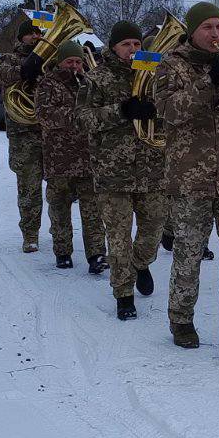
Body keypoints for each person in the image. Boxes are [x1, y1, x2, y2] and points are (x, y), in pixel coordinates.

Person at [154, 1, 219, 368]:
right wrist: (208, 80)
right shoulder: (171, 65)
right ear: (193, 31)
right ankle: (181, 320)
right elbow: (169, 112)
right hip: (190, 180)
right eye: (208, 28)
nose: (216, 34)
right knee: (188, 254)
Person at [77, 20, 167, 320]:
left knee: (153, 229)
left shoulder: (153, 76)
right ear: (114, 47)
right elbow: (82, 119)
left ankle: (141, 263)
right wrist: (121, 111)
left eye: (137, 44)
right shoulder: (97, 78)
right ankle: (124, 294)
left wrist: (158, 112)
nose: (133, 49)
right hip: (112, 173)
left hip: (152, 169)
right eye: (126, 44)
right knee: (118, 238)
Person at [35, 39, 107, 273]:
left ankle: (96, 255)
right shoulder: (48, 84)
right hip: (59, 160)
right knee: (59, 209)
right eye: (70, 61)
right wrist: (79, 115)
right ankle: (63, 252)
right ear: (60, 62)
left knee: (93, 211)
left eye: (78, 61)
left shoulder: (89, 82)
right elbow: (45, 115)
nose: (75, 66)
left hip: (88, 159)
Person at [0, 16, 45, 252]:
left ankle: (62, 238)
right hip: (24, 135)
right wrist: (22, 71)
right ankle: (30, 234)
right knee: (29, 189)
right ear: (22, 37)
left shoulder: (50, 58)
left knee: (60, 191)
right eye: (31, 33)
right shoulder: (10, 59)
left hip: (53, 134)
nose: (36, 37)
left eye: (39, 33)